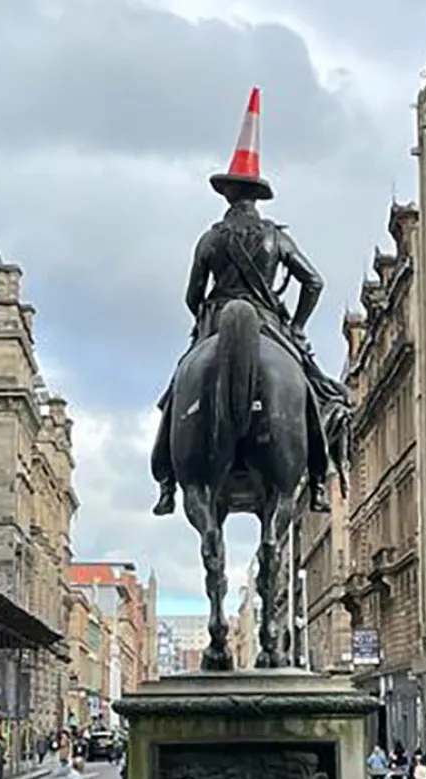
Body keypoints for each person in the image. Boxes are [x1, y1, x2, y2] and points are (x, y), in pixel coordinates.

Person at [149, 88, 351, 517]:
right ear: (256, 196)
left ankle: (167, 485)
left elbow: (191, 296)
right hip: (271, 325)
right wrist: (295, 325)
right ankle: (318, 481)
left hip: (216, 321)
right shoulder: (276, 237)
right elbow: (313, 282)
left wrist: (207, 319)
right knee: (319, 394)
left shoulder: (209, 238)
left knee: (173, 396)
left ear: (227, 194)